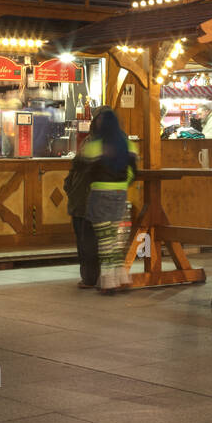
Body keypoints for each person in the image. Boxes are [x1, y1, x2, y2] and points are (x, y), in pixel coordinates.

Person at [81, 107, 138, 293]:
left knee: (105, 239)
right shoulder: (128, 145)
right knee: (114, 237)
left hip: (100, 195)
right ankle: (121, 276)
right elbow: (133, 173)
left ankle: (108, 281)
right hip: (120, 194)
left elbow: (84, 171)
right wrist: (122, 185)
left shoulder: (94, 146)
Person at [64, 105, 111, 289]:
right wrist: (68, 184)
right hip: (79, 198)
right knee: (83, 241)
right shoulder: (89, 141)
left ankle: (92, 277)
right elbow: (76, 166)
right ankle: (89, 277)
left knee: (91, 241)